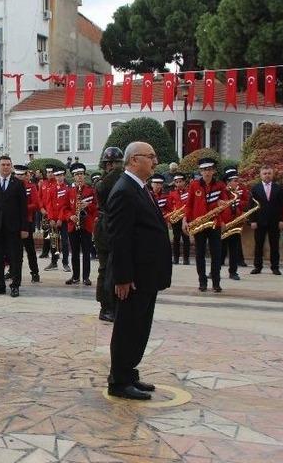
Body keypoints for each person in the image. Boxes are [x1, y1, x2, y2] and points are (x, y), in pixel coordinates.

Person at [106, 141, 172, 400]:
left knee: (139, 326)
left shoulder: (139, 187)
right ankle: (119, 381)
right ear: (134, 160)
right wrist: (123, 277)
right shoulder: (124, 190)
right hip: (132, 279)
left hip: (145, 275)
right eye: (150, 156)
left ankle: (129, 373)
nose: (155, 161)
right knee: (127, 328)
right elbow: (118, 239)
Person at [0, 156, 29, 298]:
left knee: (15, 257)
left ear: (11, 166)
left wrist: (24, 228)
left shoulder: (18, 184)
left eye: (8, 164)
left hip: (14, 227)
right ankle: (0, 285)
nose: (6, 167)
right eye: (3, 164)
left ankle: (15, 285)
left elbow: (23, 208)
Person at [183, 157, 230, 292]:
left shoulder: (220, 185)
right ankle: (202, 282)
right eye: (204, 170)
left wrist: (223, 215)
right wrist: (186, 220)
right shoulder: (194, 185)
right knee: (199, 254)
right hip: (199, 224)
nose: (207, 173)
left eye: (209, 169)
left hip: (215, 223)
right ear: (200, 171)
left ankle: (216, 282)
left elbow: (225, 204)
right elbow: (189, 205)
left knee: (216, 254)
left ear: (213, 170)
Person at [94, 147, 124, 322]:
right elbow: (103, 189)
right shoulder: (103, 181)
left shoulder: (117, 178)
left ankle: (115, 304)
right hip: (105, 228)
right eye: (115, 164)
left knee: (117, 268)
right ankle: (105, 307)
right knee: (105, 269)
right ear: (108, 165)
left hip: (114, 225)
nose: (119, 167)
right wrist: (117, 170)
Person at [248, 164, 283, 276]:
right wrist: (252, 221)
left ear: (272, 174)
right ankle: (257, 266)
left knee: (274, 245)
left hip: (274, 221)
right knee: (258, 245)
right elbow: (251, 206)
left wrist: (282, 220)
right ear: (261, 175)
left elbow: (282, 205)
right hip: (259, 221)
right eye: (265, 173)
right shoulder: (255, 189)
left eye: (269, 173)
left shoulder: (279, 188)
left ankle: (275, 267)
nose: (267, 175)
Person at [66, 163, 97, 286]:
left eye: (81, 174)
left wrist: (88, 205)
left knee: (86, 252)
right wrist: (70, 216)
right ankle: (75, 276)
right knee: (74, 252)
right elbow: (65, 208)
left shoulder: (91, 191)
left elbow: (97, 207)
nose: (79, 177)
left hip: (86, 225)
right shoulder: (70, 191)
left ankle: (86, 277)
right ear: (73, 177)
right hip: (73, 225)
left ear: (84, 176)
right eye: (76, 175)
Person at [14, 165, 41, 283]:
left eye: (21, 175)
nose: (19, 177)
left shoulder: (31, 187)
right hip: (13, 222)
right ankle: (13, 271)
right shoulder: (11, 187)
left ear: (26, 176)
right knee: (13, 249)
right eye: (17, 175)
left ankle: (35, 272)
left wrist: (22, 208)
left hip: (27, 222)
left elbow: (36, 204)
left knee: (30, 249)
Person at [43, 168, 71, 273]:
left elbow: (66, 206)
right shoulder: (51, 189)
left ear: (64, 176)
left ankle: (65, 263)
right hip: (53, 220)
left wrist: (60, 218)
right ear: (55, 177)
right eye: (57, 176)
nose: (59, 177)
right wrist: (50, 218)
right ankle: (54, 262)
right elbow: (48, 204)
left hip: (63, 220)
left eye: (61, 175)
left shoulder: (68, 189)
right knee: (53, 242)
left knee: (64, 242)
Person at [220, 169, 247, 281]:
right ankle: (214, 271)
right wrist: (221, 222)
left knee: (234, 250)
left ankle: (233, 272)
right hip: (223, 225)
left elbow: (243, 205)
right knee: (219, 250)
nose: (237, 183)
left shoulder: (236, 193)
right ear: (228, 182)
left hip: (235, 224)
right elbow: (217, 210)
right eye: (235, 181)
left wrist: (241, 215)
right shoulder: (221, 193)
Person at [167, 173, 190, 265]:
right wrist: (169, 220)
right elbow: (169, 207)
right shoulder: (172, 194)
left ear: (184, 182)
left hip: (186, 219)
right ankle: (176, 258)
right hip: (176, 219)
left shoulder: (189, 192)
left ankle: (186, 259)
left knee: (186, 239)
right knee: (176, 239)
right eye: (176, 182)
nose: (179, 184)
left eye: (180, 181)